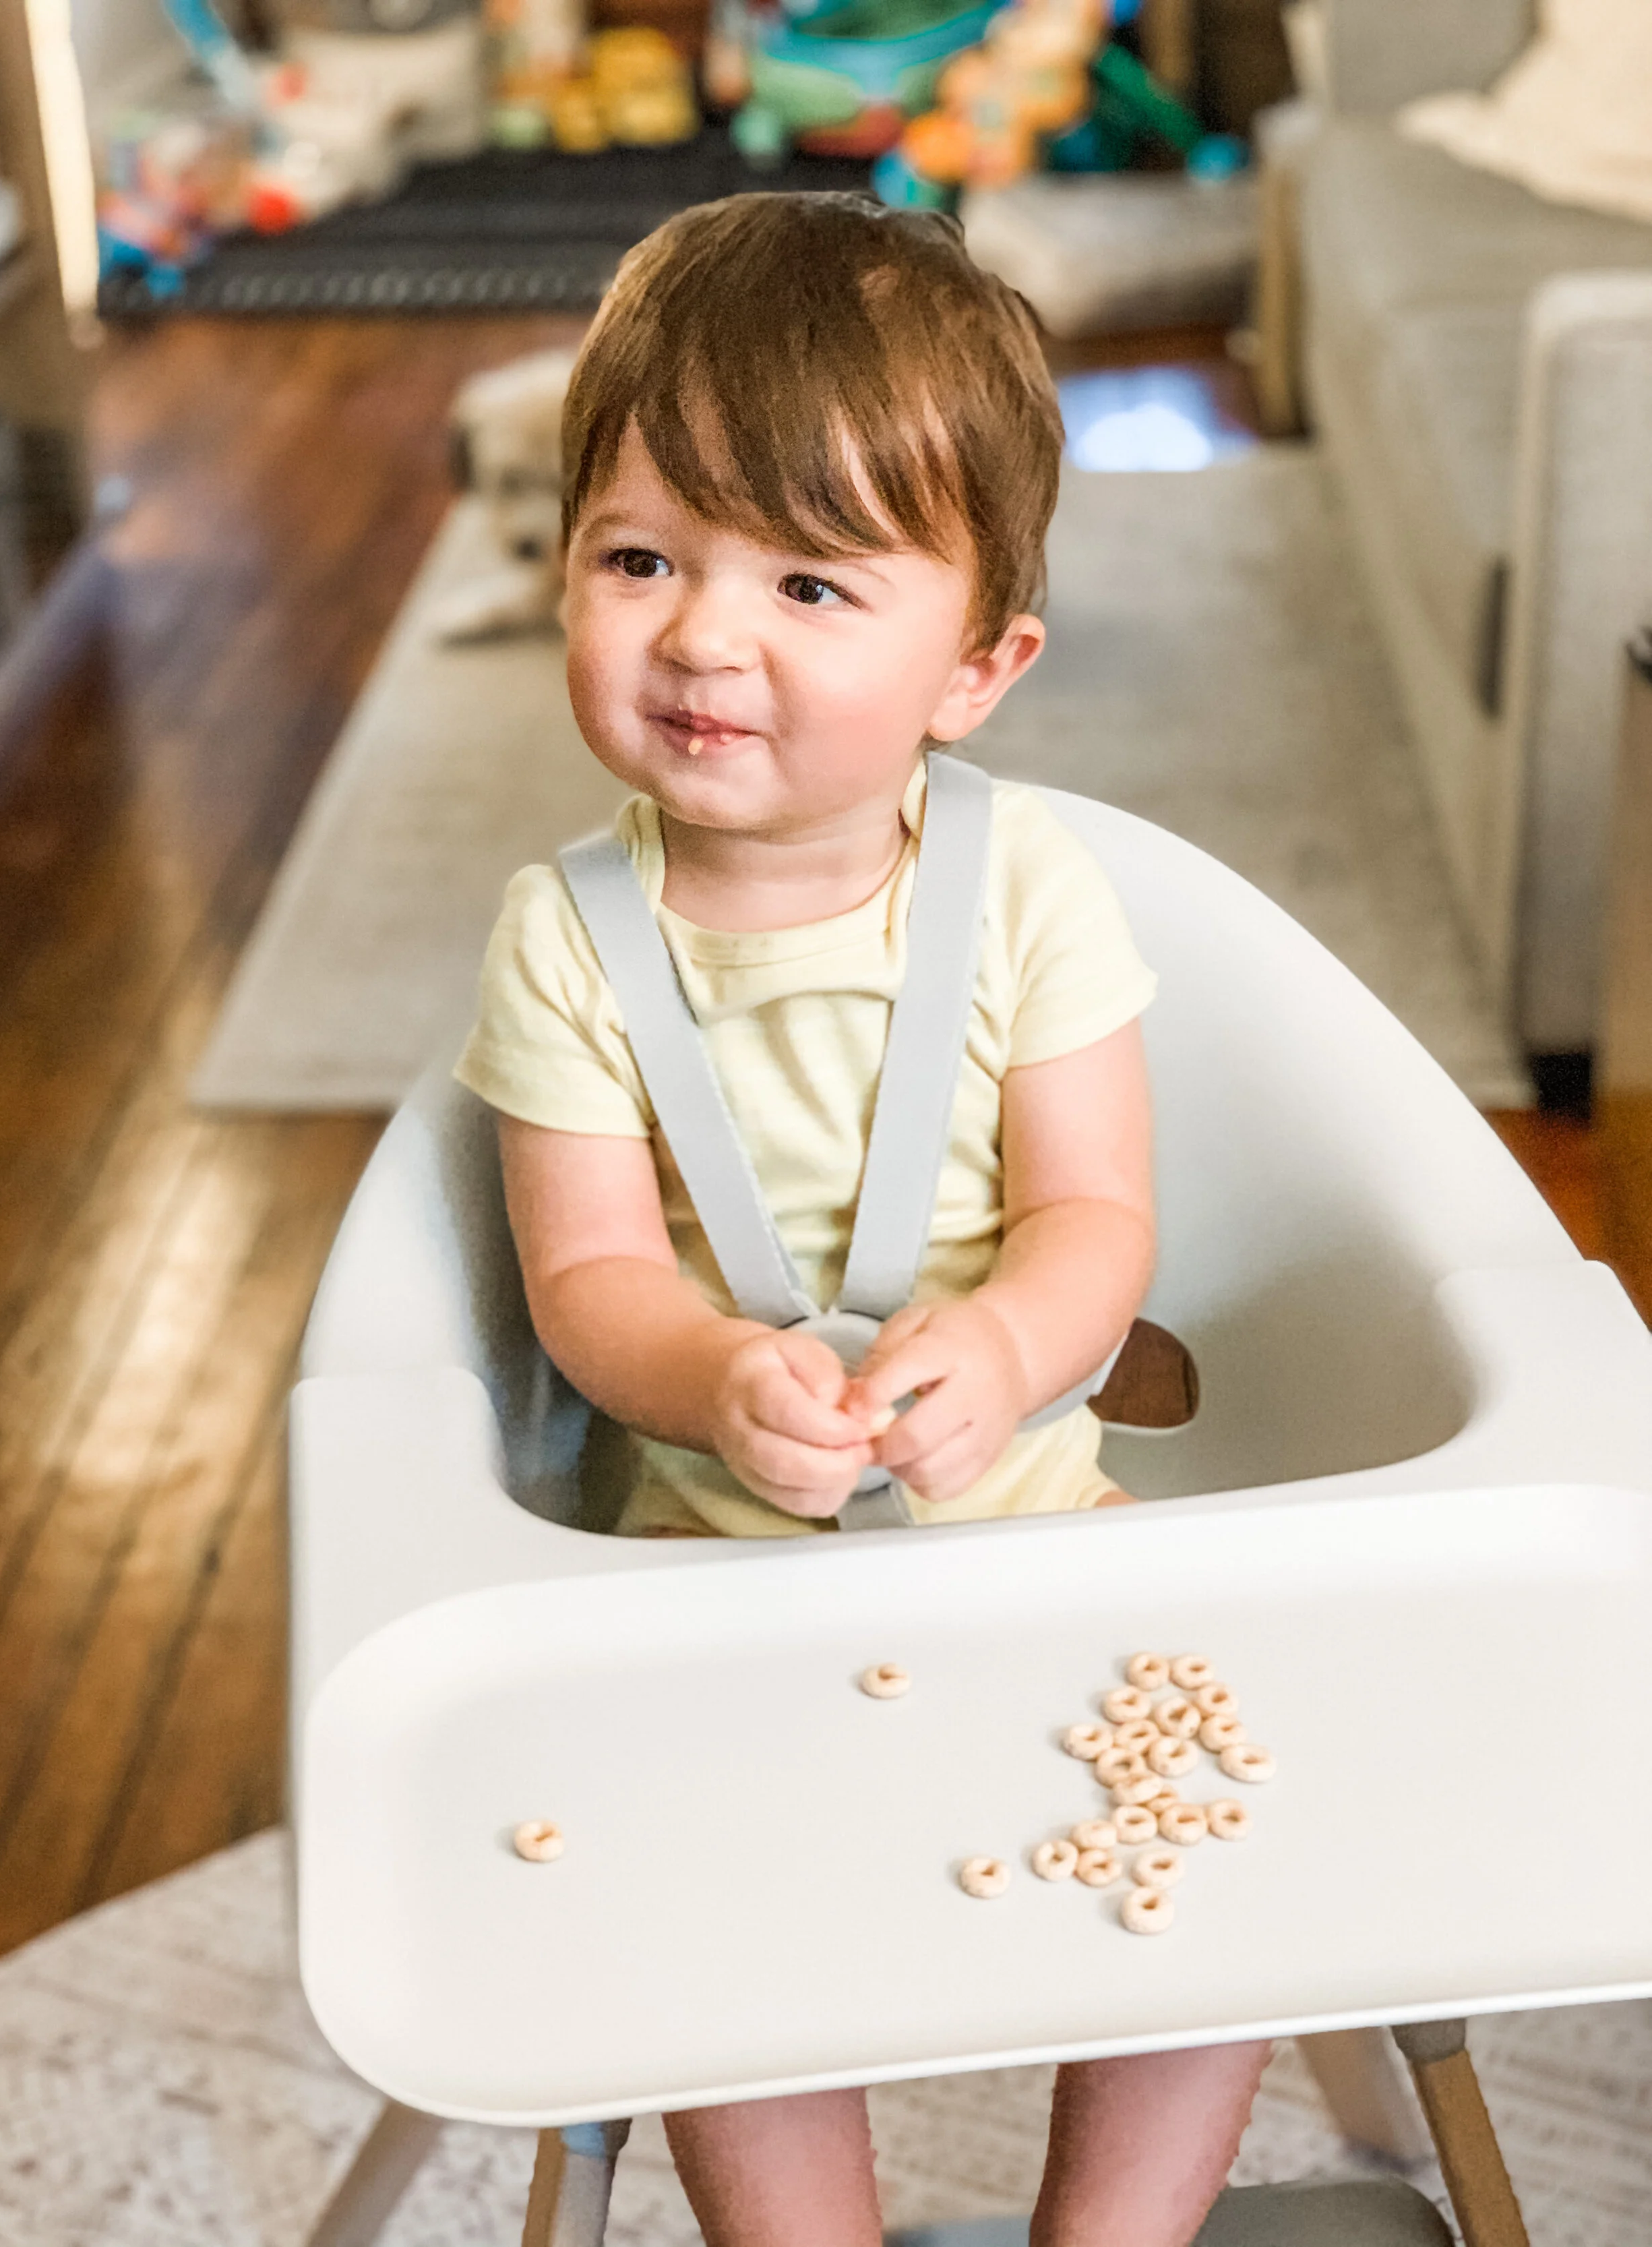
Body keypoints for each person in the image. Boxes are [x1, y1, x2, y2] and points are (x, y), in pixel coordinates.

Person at [456, 189, 1268, 2247]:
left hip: (1033, 1540)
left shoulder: (1028, 893)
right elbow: (586, 1280)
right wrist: (715, 1371)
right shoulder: (562, 940)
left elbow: (1095, 1217)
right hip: (706, 1586)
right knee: (718, 1954)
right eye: (640, 559)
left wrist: (1000, 1348)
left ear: (976, 668)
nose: (705, 637)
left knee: (1224, 1863)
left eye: (811, 585)